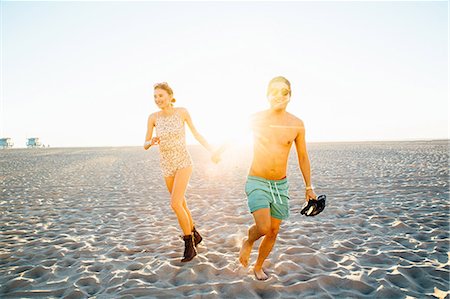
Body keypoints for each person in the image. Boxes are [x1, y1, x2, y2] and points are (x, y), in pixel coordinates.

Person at [239, 76, 317, 280]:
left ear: (290, 96)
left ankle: (258, 266)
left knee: (273, 231)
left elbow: (302, 156)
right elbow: (234, 137)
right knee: (263, 227)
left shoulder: (297, 124)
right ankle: (248, 241)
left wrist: (309, 187)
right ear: (267, 95)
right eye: (274, 91)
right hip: (257, 180)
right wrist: (218, 152)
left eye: (284, 92)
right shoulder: (256, 119)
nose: (279, 96)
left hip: (280, 185)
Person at [144, 82, 220, 262]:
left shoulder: (182, 112)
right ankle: (195, 234)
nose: (158, 100)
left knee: (175, 203)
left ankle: (189, 245)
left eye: (161, 96)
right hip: (166, 164)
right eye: (155, 97)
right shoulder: (153, 117)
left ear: (170, 96)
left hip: (183, 162)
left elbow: (196, 133)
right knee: (182, 204)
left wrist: (212, 150)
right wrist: (151, 142)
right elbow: (145, 144)